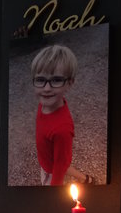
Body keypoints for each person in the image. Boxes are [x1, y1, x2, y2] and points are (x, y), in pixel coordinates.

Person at [32, 44, 92, 186]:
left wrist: (54, 191)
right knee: (64, 164)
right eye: (40, 80)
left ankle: (86, 180)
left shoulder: (62, 130)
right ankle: (86, 179)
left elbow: (60, 166)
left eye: (56, 80)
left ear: (70, 83)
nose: (47, 88)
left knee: (62, 165)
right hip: (50, 160)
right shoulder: (44, 104)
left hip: (52, 171)